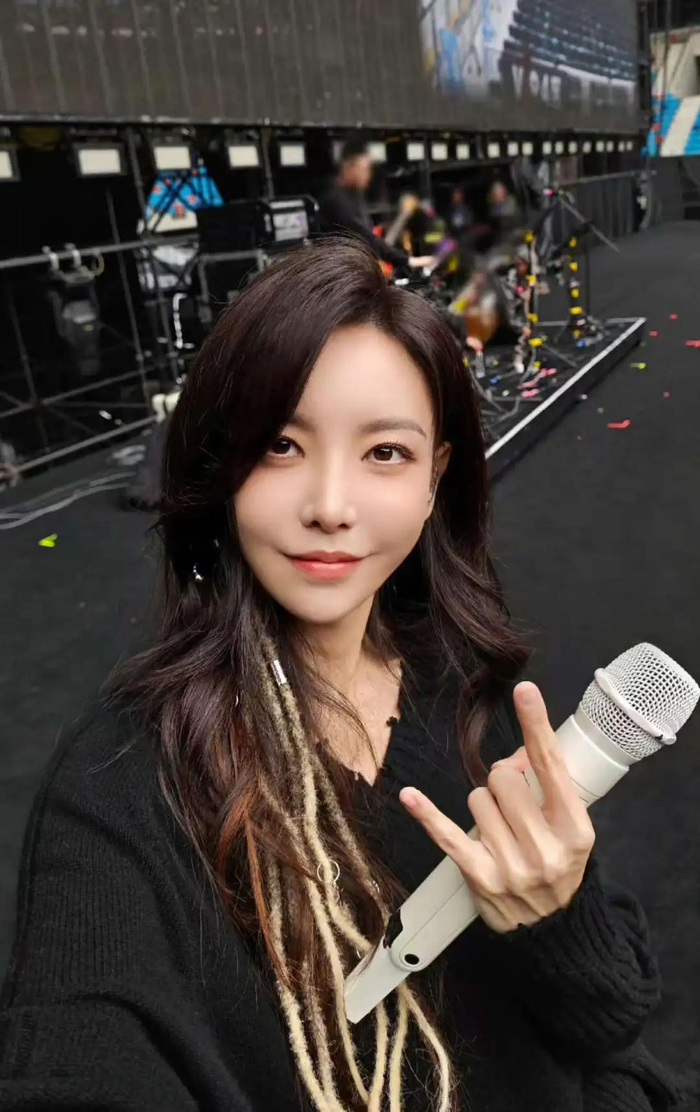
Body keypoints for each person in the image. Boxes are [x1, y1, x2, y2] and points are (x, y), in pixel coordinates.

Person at [0, 239, 689, 1112]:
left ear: (436, 480)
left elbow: (613, 1020)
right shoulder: (122, 780)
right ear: (221, 467)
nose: (330, 505)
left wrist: (557, 913)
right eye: (280, 445)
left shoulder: (470, 691)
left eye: (385, 453)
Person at [318, 138, 435, 273]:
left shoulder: (353, 194)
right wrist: (407, 261)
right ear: (349, 167)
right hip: (340, 272)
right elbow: (365, 236)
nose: (368, 175)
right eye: (364, 169)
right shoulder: (337, 200)